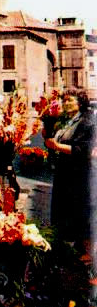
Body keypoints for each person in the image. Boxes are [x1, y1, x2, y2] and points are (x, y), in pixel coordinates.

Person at [44, 89, 96, 256]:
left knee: (81, 210)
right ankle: (73, 247)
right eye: (64, 100)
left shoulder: (87, 121)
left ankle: (88, 255)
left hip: (79, 174)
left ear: (80, 102)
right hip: (65, 172)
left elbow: (83, 149)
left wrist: (57, 146)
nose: (65, 103)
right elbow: (58, 140)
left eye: (69, 100)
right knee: (66, 210)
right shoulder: (68, 120)